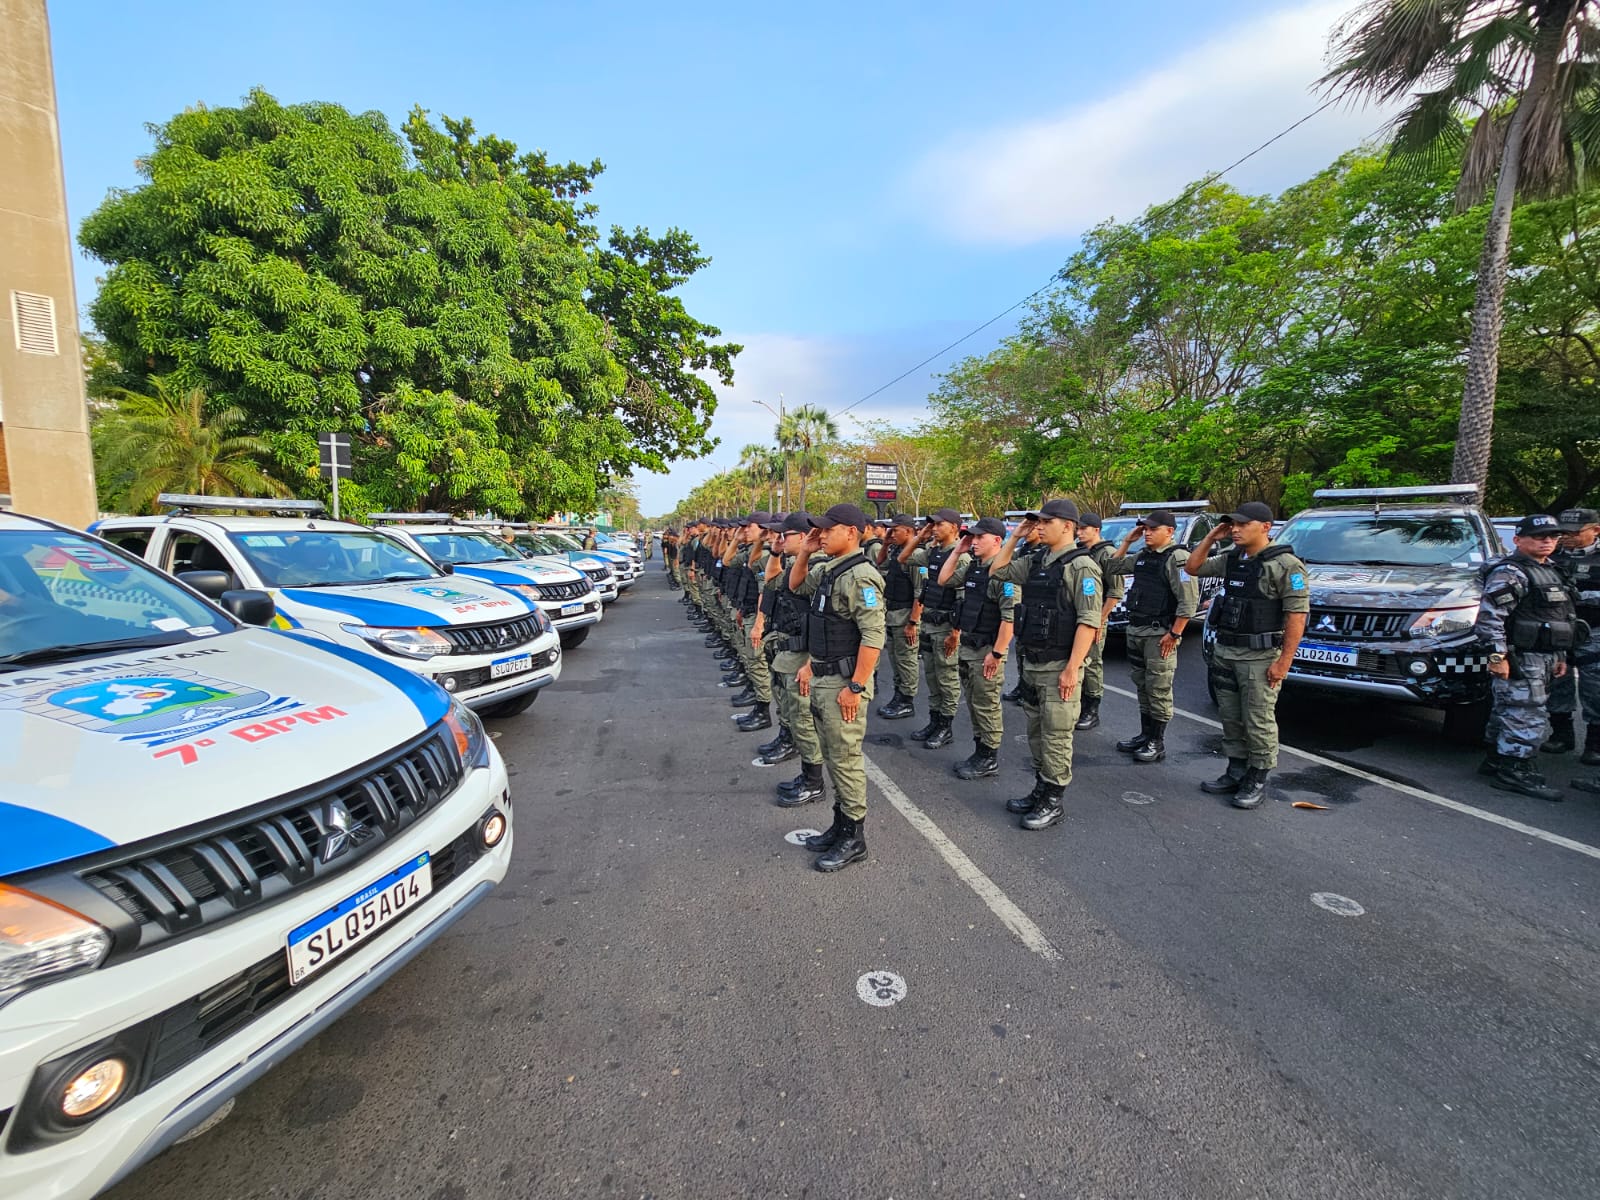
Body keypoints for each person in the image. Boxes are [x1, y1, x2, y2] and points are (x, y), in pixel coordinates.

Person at [1185, 502, 1309, 809]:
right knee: (1229, 715)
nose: (1236, 530)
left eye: (1243, 525)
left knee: (1258, 719)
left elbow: (1297, 616)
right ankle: (1235, 770)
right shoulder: (1232, 558)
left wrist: (1284, 662)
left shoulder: (1285, 565)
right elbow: (1193, 567)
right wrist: (1212, 537)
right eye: (1233, 525)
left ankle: (1257, 778)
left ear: (1265, 527)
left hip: (1261, 655)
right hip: (1226, 650)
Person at [987, 499, 1103, 830]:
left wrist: (1072, 668)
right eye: (1037, 522)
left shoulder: (1082, 567)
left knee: (1056, 735)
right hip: (1035, 664)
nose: (1039, 526)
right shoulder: (1037, 559)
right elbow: (997, 571)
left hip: (1059, 666)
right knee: (1036, 732)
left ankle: (1053, 801)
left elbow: (1088, 621)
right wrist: (1014, 537)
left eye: (1045, 521)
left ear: (1067, 525)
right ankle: (1040, 789)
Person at [789, 503, 886, 872]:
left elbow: (873, 637)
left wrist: (857, 686)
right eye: (819, 529)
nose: (822, 534)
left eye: (829, 529)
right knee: (832, 756)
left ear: (852, 532)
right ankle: (840, 824)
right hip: (825, 677)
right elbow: (795, 584)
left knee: (845, 760)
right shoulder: (829, 569)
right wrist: (804, 551)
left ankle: (854, 837)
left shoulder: (861, 576)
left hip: (844, 684)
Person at [1477, 512, 1582, 801]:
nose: (1547, 541)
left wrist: (1561, 655)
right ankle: (1515, 770)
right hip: (1521, 656)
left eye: (1553, 536)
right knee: (1525, 713)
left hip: (1545, 654)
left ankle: (1498, 760)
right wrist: (1497, 656)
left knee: (1510, 710)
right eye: (1539, 536)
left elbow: (1561, 615)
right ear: (1518, 540)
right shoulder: (1511, 572)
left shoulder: (1552, 569)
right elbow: (1490, 618)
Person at [1101, 510, 1199, 763]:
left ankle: (1157, 741)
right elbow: (1111, 566)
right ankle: (1145, 735)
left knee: (1158, 688)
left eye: (1152, 529)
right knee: (1143, 686)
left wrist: (1175, 633)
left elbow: (1188, 602)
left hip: (1159, 634)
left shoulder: (1177, 558)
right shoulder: (1143, 556)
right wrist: (1126, 542)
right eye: (1145, 529)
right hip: (1137, 630)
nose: (1147, 533)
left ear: (1169, 531)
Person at [935, 516, 1017, 779]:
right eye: (973, 536)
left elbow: (1009, 618)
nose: (975, 541)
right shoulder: (973, 567)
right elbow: (943, 579)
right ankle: (980, 751)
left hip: (986, 650)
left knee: (986, 704)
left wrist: (997, 653)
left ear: (997, 541)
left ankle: (989, 757)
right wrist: (959, 550)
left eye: (980, 537)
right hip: (969, 648)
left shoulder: (1004, 572)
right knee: (973, 702)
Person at [908, 508, 967, 749]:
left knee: (947, 678)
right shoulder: (933, 552)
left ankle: (946, 726)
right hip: (929, 624)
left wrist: (955, 633)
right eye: (932, 525)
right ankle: (934, 720)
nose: (934, 528)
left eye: (939, 525)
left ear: (953, 527)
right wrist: (920, 536)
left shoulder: (960, 556)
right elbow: (903, 558)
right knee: (932, 677)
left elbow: (962, 599)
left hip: (946, 627)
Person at [1547, 507, 1600, 765]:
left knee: (1595, 689)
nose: (1566, 537)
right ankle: (1561, 734)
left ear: (1595, 530)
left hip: (1594, 632)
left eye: (1573, 533)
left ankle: (1595, 744)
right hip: (1556, 630)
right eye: (1562, 532)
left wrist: (1581, 596)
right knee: (1557, 682)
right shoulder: (1550, 555)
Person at [1073, 512, 1125, 731]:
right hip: (1079, 614)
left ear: (1096, 529)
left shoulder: (1107, 553)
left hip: (1095, 616)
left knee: (1092, 663)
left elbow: (1115, 591)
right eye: (1078, 528)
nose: (1079, 532)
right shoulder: (1081, 551)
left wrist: (1099, 621)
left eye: (1084, 528)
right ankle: (1080, 705)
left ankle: (1091, 710)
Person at [875, 513, 923, 720]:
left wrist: (913, 622)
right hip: (893, 614)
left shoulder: (916, 555)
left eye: (895, 530)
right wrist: (885, 544)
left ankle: (907, 700)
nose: (891, 533)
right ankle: (898, 695)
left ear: (909, 531)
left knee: (906, 660)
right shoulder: (896, 550)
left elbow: (920, 592)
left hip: (905, 616)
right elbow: (880, 564)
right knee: (896, 659)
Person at [731, 514, 776, 731]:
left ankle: (764, 710)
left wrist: (759, 623)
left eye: (750, 527)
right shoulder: (760, 552)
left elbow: (764, 593)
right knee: (754, 662)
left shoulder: (770, 555)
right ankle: (760, 705)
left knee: (758, 664)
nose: (745, 530)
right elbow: (729, 561)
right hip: (748, 610)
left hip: (759, 617)